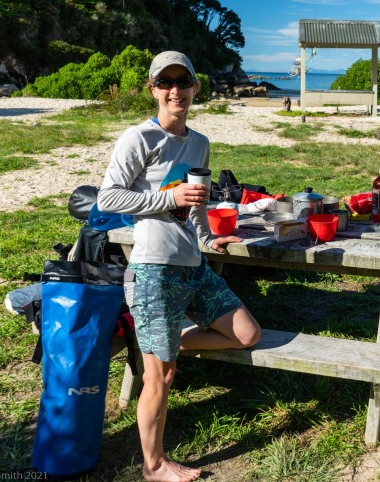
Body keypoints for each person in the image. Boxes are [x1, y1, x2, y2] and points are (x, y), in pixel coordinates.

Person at [98, 51, 261, 481]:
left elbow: (197, 203)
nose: (175, 90)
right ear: (153, 89)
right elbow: (107, 198)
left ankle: (167, 337)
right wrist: (167, 199)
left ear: (194, 88)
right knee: (163, 377)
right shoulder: (138, 139)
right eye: (165, 82)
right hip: (153, 269)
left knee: (247, 333)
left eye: (183, 81)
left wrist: (208, 238)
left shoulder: (199, 142)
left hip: (192, 266)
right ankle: (153, 466)